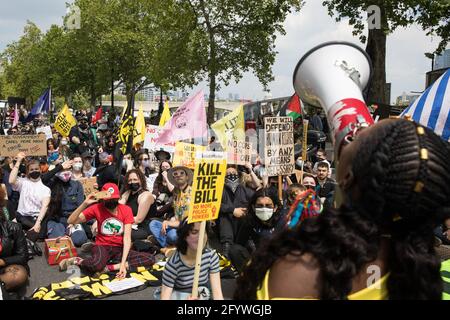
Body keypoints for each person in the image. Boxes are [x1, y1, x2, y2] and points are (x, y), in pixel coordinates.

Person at [234, 119, 450, 300]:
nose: (349, 134)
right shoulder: (425, 274)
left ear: (346, 177)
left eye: (355, 137)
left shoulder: (294, 271)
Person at [59, 183, 155, 276]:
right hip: (102, 246)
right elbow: (71, 220)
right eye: (108, 200)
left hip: (119, 249)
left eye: (113, 199)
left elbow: (127, 238)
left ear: (118, 198)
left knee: (150, 258)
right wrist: (85, 203)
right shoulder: (96, 208)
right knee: (96, 264)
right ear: (102, 199)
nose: (111, 202)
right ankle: (78, 261)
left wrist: (122, 265)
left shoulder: (126, 210)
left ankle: (109, 268)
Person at [158, 219, 223, 300]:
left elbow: (217, 293)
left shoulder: (211, 256)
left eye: (203, 231)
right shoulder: (173, 264)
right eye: (194, 232)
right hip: (178, 294)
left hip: (201, 292)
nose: (201, 236)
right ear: (184, 236)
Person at [229, 188, 286, 272]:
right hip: (260, 260)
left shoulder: (284, 220)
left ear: (275, 207)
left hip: (281, 261)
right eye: (259, 205)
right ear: (253, 207)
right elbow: (239, 244)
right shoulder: (249, 221)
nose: (264, 209)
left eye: (268, 205)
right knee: (235, 249)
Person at [149, 165, 193, 250]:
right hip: (176, 225)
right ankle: (168, 246)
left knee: (172, 235)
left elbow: (184, 224)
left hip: (187, 230)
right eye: (175, 174)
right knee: (153, 224)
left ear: (187, 177)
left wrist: (168, 222)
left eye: (181, 173)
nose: (178, 175)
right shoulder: (177, 192)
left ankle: (167, 245)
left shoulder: (190, 194)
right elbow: (174, 212)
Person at [9, 153, 51, 240]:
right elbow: (11, 180)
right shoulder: (23, 182)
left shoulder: (45, 189)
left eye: (36, 169)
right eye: (31, 169)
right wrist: (18, 161)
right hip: (22, 217)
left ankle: (23, 233)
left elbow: (44, 207)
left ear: (40, 170)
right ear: (28, 171)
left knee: (38, 236)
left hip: (36, 219)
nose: (34, 171)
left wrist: (37, 224)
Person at [218, 166, 255, 258]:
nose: (232, 176)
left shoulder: (245, 190)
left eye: (234, 174)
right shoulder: (219, 191)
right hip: (226, 226)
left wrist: (248, 210)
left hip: (242, 225)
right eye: (229, 174)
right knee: (224, 217)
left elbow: (256, 199)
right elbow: (214, 204)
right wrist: (232, 210)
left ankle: (251, 246)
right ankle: (226, 251)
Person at [45, 169, 88, 246]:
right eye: (63, 170)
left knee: (79, 240)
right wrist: (57, 170)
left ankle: (69, 234)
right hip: (57, 220)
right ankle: (63, 234)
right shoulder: (52, 184)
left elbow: (80, 206)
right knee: (59, 241)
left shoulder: (77, 184)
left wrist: (74, 221)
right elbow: (43, 179)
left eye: (68, 170)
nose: (65, 172)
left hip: (73, 219)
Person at [0, 187, 29, 296]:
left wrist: (2, 261)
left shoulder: (14, 228)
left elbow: (22, 256)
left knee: (19, 275)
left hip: (5, 265)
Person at [119, 169, 156, 241]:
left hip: (144, 227)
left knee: (119, 231)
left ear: (141, 181)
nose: (132, 182)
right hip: (129, 224)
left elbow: (139, 219)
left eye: (135, 179)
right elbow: (118, 208)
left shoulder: (145, 195)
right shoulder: (128, 193)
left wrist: (119, 223)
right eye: (129, 180)